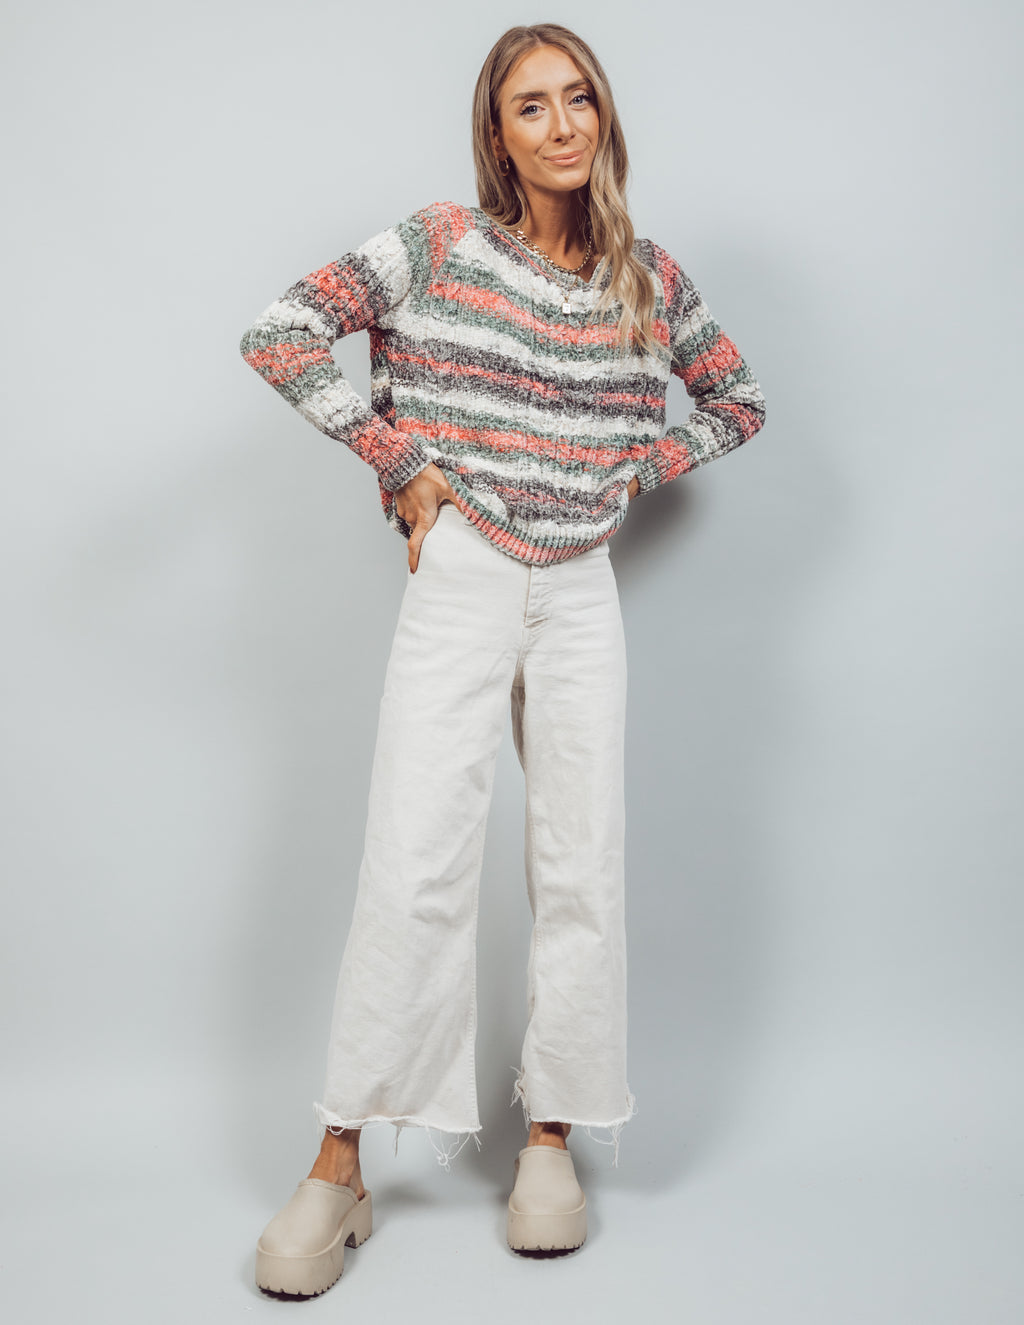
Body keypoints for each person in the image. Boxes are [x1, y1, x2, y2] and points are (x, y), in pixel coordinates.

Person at [239, 21, 766, 1296]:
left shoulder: (648, 278)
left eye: (578, 97)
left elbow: (736, 399)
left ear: (604, 115)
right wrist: (399, 458)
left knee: (579, 860)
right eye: (531, 106)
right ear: (498, 133)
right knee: (414, 854)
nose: (561, 124)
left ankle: (550, 1141)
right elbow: (283, 331)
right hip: (464, 567)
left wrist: (639, 468)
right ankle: (340, 1160)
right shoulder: (440, 242)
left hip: (580, 587)